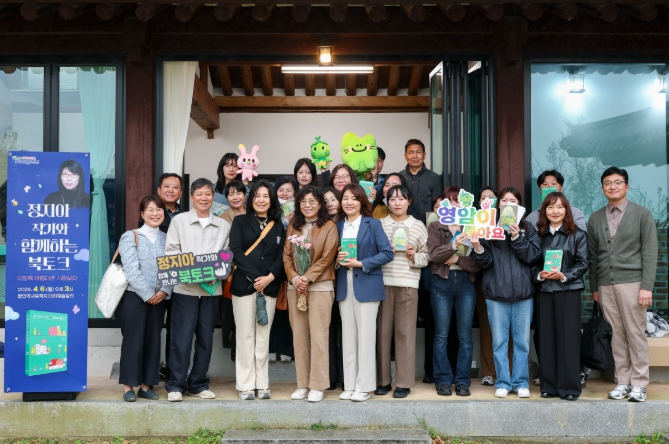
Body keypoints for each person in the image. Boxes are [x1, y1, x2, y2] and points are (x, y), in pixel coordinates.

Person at [588, 167, 658, 402]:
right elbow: (593, 256)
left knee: (635, 333)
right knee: (616, 335)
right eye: (607, 183)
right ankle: (623, 381)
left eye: (618, 182)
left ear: (627, 186)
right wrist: (595, 287)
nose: (613, 186)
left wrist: (647, 286)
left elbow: (650, 253)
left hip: (633, 283)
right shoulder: (595, 217)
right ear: (602, 188)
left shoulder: (642, 214)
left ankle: (640, 383)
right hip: (605, 285)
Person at [164, 178, 231, 402]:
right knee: (181, 338)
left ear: (213, 197)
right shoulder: (179, 221)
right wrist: (196, 273)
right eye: (199, 194)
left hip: (212, 291)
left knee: (205, 339)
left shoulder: (223, 225)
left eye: (208, 194)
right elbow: (172, 253)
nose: (204, 198)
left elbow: (226, 257)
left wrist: (215, 273)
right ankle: (176, 384)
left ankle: (199, 384)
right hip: (185, 290)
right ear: (191, 197)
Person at [471, 187, 541, 398]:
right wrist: (477, 247)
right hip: (495, 294)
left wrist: (517, 237)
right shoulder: (488, 227)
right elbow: (485, 262)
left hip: (523, 294)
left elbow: (533, 256)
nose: (508, 204)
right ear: (498, 204)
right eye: (504, 200)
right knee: (499, 342)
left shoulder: (528, 228)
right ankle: (502, 382)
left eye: (513, 200)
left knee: (522, 342)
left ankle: (521, 382)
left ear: (519, 205)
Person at [525, 170, 586, 386]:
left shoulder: (577, 234)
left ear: (567, 210)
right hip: (544, 291)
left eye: (560, 207)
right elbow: (531, 263)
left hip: (569, 291)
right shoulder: (537, 235)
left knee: (569, 339)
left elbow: (583, 263)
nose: (555, 211)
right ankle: (548, 385)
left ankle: (570, 386)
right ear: (544, 210)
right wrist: (539, 274)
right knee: (546, 339)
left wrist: (565, 275)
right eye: (550, 207)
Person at [229, 180, 286, 400]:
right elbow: (235, 251)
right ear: (251, 198)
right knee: (245, 336)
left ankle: (262, 383)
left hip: (269, 287)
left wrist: (270, 277)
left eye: (265, 196)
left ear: (272, 200)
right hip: (244, 287)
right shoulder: (240, 221)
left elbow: (281, 256)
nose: (261, 200)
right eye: (257, 196)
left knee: (263, 337)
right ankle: (245, 384)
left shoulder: (278, 225)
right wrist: (256, 278)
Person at [336, 184, 393, 402]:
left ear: (362, 202)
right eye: (345, 198)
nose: (349, 202)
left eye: (354, 198)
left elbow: (387, 253)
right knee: (348, 338)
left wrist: (361, 263)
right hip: (345, 285)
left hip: (367, 284)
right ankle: (350, 385)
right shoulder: (337, 226)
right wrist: (337, 260)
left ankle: (365, 386)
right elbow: (331, 257)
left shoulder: (373, 224)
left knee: (366, 338)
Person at [284, 186, 338, 403]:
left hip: (320, 286)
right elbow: (287, 256)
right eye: (303, 201)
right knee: (299, 337)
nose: (307, 205)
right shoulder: (293, 226)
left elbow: (328, 257)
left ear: (320, 204)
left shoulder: (329, 226)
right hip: (295, 288)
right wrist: (294, 278)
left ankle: (317, 385)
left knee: (318, 336)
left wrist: (307, 278)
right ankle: (302, 384)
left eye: (312, 201)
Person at [427, 186, 481, 397]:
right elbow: (433, 255)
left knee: (465, 335)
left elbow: (478, 263)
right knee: (441, 334)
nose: (454, 206)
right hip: (442, 281)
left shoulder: (473, 226)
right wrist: (452, 245)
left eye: (458, 202)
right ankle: (442, 380)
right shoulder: (435, 226)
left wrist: (457, 258)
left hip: (466, 282)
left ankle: (462, 382)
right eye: (449, 202)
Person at [376, 184, 429, 398]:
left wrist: (413, 255)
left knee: (405, 334)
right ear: (387, 202)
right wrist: (383, 252)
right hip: (382, 283)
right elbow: (371, 253)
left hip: (408, 283)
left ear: (409, 201)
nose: (397, 203)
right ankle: (382, 380)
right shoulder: (380, 224)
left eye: (401, 198)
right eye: (392, 199)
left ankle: (404, 382)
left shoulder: (418, 226)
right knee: (382, 333)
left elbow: (427, 256)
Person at [118, 195, 172, 402]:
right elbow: (131, 270)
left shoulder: (168, 239)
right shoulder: (131, 236)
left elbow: (173, 268)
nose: (155, 213)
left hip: (160, 299)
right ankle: (128, 387)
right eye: (150, 209)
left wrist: (164, 290)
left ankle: (147, 385)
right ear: (142, 214)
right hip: (135, 297)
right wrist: (148, 294)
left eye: (159, 210)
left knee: (153, 340)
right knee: (132, 340)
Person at [137, 172, 183, 381]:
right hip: (152, 287)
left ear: (181, 192)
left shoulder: (185, 216)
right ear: (159, 189)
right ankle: (147, 373)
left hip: (179, 283)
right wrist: (155, 290)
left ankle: (172, 370)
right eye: (167, 186)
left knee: (176, 329)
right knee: (150, 330)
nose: (171, 190)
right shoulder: (151, 215)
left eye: (175, 187)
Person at [270, 176, 297, 363]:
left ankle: (287, 349)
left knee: (288, 309)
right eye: (281, 190)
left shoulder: (301, 210)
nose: (285, 193)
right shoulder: (270, 209)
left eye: (289, 190)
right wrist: (284, 222)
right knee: (272, 308)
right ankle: (271, 348)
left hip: (292, 265)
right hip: (272, 265)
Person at [219, 180, 247, 362]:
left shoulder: (254, 214)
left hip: (253, 271)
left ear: (245, 195)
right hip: (232, 272)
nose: (235, 197)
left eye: (239, 193)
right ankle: (235, 350)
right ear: (226, 197)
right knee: (232, 313)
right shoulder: (221, 219)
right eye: (231, 194)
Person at [322, 186, 344, 389]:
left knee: (345, 330)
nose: (329, 204)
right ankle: (329, 377)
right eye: (325, 200)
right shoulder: (319, 225)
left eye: (333, 199)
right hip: (324, 283)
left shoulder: (347, 223)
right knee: (327, 330)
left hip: (345, 281)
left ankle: (346, 377)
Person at [399, 139, 442, 224]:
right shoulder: (399, 177)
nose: (415, 156)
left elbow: (437, 205)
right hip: (403, 223)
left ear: (424, 155)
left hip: (427, 224)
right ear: (405, 156)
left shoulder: (434, 177)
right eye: (411, 152)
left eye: (418, 152)